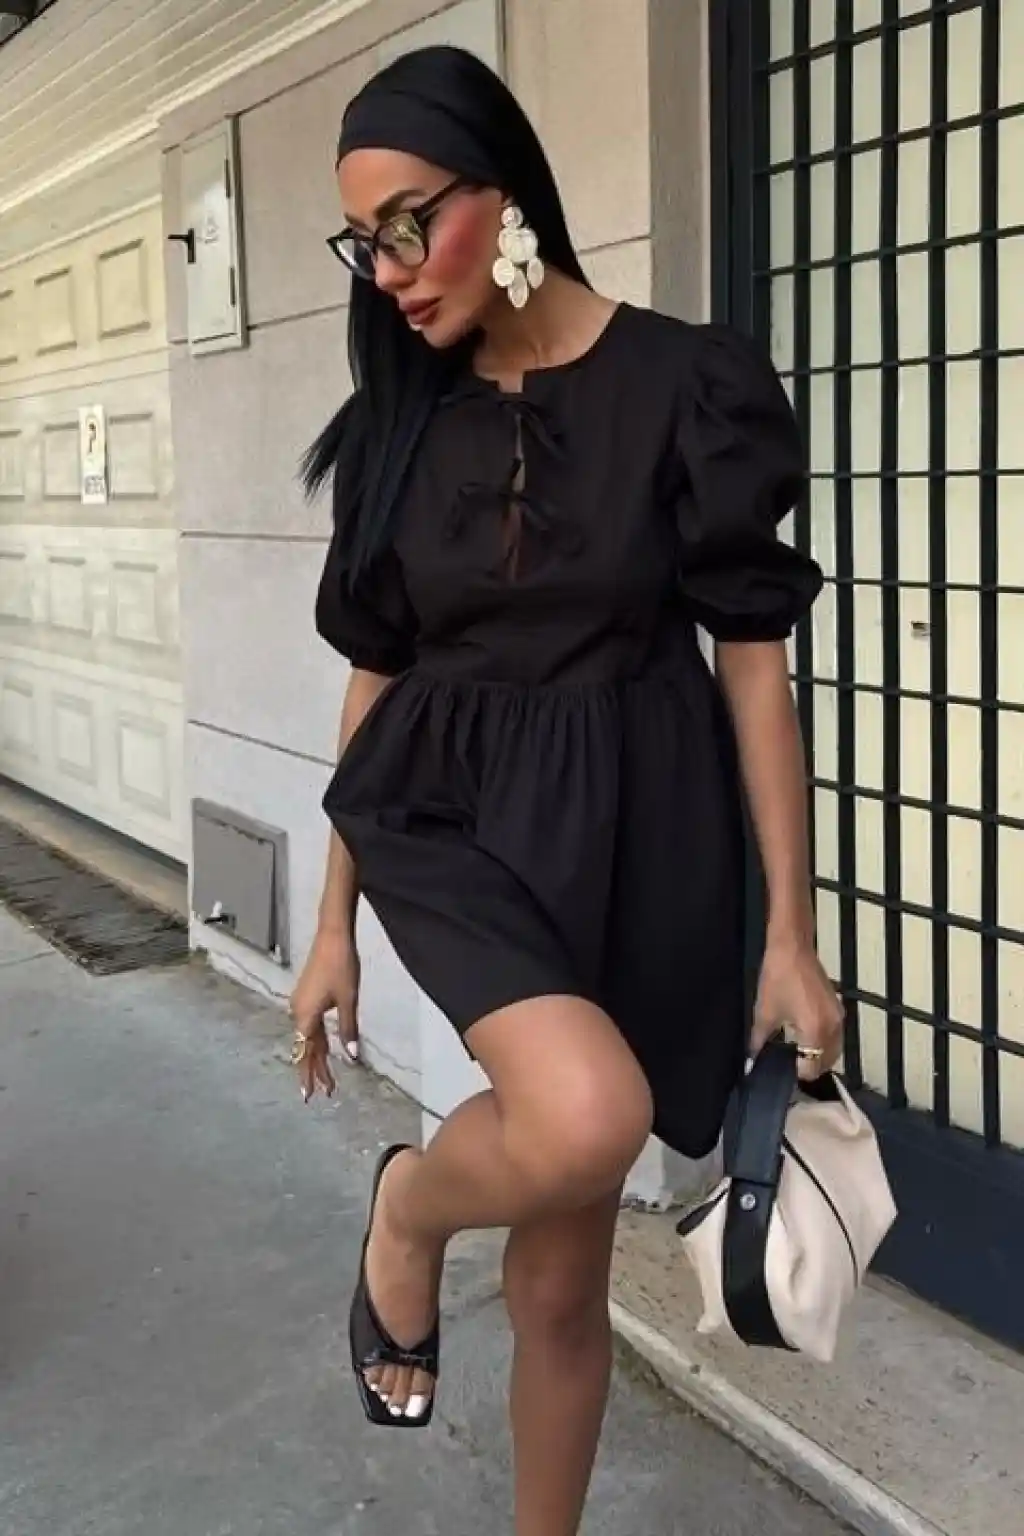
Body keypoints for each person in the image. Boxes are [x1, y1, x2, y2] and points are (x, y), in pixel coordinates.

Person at [289, 43, 843, 1536]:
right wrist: (333, 922)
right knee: (588, 1114)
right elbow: (377, 675)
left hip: (642, 830)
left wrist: (790, 935)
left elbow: (752, 669)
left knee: (556, 1279)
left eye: (411, 224)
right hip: (457, 823)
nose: (388, 272)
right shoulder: (403, 424)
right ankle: (408, 1207)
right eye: (364, 242)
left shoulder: (688, 383)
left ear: (506, 191)